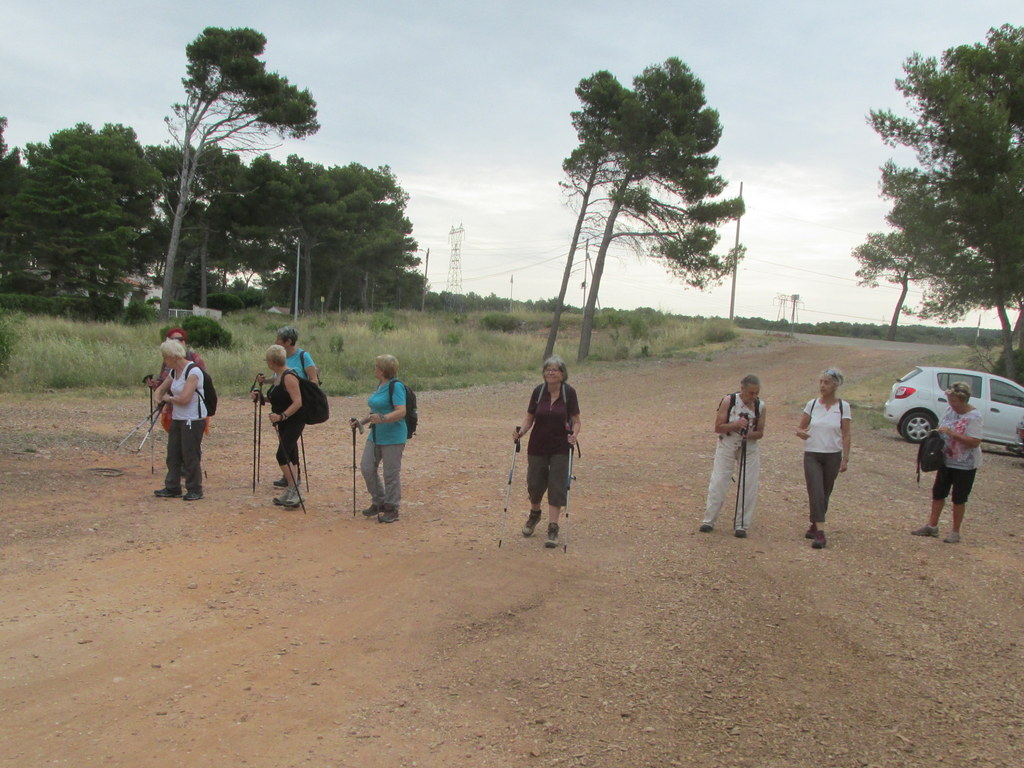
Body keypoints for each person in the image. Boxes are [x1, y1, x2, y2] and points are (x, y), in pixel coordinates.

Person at [513, 356, 582, 548]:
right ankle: (535, 514)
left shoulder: (569, 393)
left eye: (555, 369)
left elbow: (576, 420)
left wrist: (574, 435)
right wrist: (521, 432)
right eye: (548, 369)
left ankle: (553, 527)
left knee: (556, 485)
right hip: (538, 445)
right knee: (534, 484)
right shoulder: (539, 391)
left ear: (562, 374)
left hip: (560, 445)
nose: (551, 372)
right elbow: (529, 418)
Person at [911, 381, 983, 544]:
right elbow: (941, 427)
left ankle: (955, 532)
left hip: (965, 464)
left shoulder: (974, 417)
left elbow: (975, 441)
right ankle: (932, 525)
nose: (951, 403)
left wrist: (952, 434)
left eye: (954, 401)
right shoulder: (950, 410)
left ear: (963, 400)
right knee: (938, 493)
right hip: (946, 460)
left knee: (959, 498)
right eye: (950, 400)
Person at [700, 374, 767, 537]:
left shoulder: (760, 406)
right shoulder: (728, 401)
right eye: (751, 393)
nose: (754, 396)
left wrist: (750, 434)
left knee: (749, 483)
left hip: (748, 446)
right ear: (742, 389)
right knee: (719, 481)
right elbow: (718, 427)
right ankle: (709, 520)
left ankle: (741, 525)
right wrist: (736, 425)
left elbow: (760, 432)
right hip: (727, 442)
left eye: (756, 393)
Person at [795, 367, 851, 549]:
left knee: (825, 492)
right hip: (812, 453)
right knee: (816, 490)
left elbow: (846, 434)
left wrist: (845, 458)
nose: (822, 385)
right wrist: (801, 433)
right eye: (821, 382)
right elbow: (800, 428)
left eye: (826, 382)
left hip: (833, 455)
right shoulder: (812, 405)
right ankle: (820, 532)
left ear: (835, 385)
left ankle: (814, 524)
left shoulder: (843, 407)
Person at [256, 325, 319, 488]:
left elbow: (313, 380)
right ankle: (291, 477)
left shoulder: (304, 356)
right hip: (283, 407)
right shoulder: (282, 358)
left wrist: (303, 398)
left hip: (296, 409)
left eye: (279, 339)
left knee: (286, 447)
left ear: (288, 341)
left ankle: (293, 482)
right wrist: (266, 382)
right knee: (289, 444)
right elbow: (279, 378)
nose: (276, 341)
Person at [351, 354, 407, 524]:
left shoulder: (396, 387)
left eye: (376, 366)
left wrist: (383, 418)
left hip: (393, 436)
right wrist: (361, 422)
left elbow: (401, 411)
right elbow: (375, 410)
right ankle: (380, 500)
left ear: (382, 370)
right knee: (367, 466)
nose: (374, 368)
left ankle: (392, 508)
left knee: (391, 473)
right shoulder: (381, 385)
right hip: (376, 434)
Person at [152, 339, 207, 501]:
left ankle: (195, 489)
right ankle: (172, 486)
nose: (164, 360)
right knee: (173, 453)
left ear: (173, 356)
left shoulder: (193, 372)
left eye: (165, 357)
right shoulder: (174, 371)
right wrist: (158, 396)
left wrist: (168, 398)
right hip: (178, 417)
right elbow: (162, 388)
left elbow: (184, 399)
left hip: (193, 419)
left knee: (190, 455)